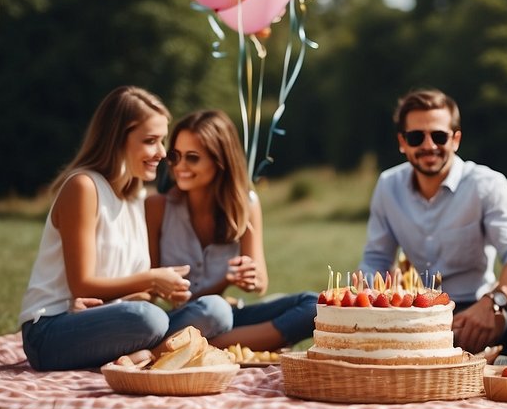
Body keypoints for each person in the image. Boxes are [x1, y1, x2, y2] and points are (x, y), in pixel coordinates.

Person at [18, 87, 234, 371]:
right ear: (117, 140)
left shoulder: (136, 198)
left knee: (215, 310)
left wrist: (157, 291)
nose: (161, 153)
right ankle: (149, 353)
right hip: (51, 332)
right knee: (149, 318)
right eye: (150, 141)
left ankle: (142, 355)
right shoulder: (83, 187)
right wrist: (152, 280)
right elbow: (81, 284)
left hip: (109, 321)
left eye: (162, 141)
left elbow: (129, 295)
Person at [357, 88, 507, 353]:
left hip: (476, 308)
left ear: (455, 140)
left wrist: (493, 302)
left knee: (431, 344)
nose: (429, 145)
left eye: (439, 136)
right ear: (402, 142)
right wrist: (364, 307)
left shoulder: (486, 185)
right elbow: (375, 260)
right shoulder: (388, 186)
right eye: (416, 136)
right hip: (418, 309)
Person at [146, 110, 317, 351]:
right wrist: (222, 283)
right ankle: (222, 344)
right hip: (184, 319)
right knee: (213, 310)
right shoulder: (157, 207)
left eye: (192, 158)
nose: (180, 166)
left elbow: (260, 284)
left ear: (220, 160)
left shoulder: (246, 204)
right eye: (175, 156)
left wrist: (249, 277)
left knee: (314, 306)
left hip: (226, 317)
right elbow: (152, 291)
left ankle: (203, 346)